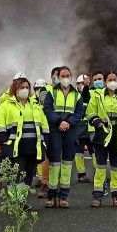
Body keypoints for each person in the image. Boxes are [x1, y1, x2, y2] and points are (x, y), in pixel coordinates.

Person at [0, 76, 48, 207]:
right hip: (16, 147)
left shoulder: (35, 105)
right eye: (21, 87)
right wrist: (4, 141)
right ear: (14, 89)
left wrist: (45, 142)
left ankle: (21, 200)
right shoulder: (6, 105)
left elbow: (43, 125)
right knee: (18, 175)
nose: (25, 90)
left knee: (29, 176)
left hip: (33, 147)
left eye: (27, 87)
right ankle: (16, 202)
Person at [86, 71, 117, 206]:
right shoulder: (97, 95)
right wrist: (96, 121)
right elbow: (90, 112)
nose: (112, 81)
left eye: (114, 79)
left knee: (116, 168)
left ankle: (116, 195)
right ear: (106, 81)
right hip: (102, 135)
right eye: (110, 79)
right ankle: (97, 196)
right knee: (100, 167)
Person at [42, 66, 85, 208]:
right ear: (58, 77)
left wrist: (68, 122)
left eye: (67, 75)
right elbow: (47, 109)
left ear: (71, 76)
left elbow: (79, 113)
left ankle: (63, 196)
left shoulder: (77, 95)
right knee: (54, 162)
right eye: (62, 75)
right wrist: (59, 121)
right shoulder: (51, 92)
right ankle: (51, 195)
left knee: (67, 162)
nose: (65, 78)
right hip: (55, 129)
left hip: (71, 130)